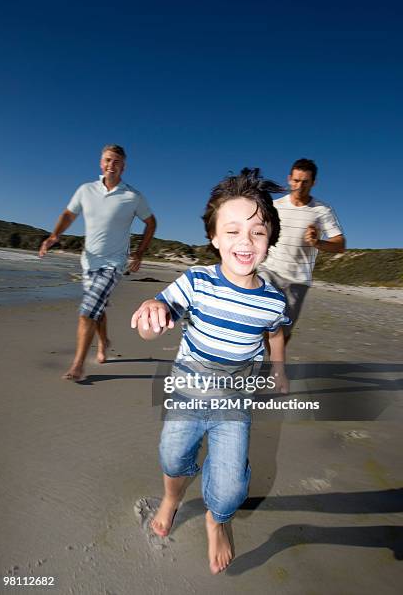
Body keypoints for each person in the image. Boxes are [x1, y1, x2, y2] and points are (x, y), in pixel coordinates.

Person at [131, 168, 290, 574]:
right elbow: (161, 314)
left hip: (234, 405)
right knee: (172, 456)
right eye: (233, 230)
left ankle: (216, 520)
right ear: (215, 237)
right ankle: (171, 499)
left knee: (230, 487)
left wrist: (278, 369)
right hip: (186, 395)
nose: (245, 241)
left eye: (257, 232)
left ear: (270, 238)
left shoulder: (273, 301)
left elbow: (274, 334)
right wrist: (152, 312)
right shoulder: (197, 282)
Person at [39, 144, 156, 381]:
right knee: (98, 309)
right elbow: (68, 214)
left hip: (113, 263)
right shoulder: (86, 190)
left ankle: (78, 365)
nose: (110, 165)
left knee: (87, 311)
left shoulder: (132, 196)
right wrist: (54, 235)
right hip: (88, 263)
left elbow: (151, 222)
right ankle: (104, 342)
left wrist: (140, 252)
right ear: (100, 163)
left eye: (116, 161)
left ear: (123, 167)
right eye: (107, 160)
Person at [258, 158, 345, 345]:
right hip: (269, 270)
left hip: (298, 279)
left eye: (305, 182)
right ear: (289, 179)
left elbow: (340, 244)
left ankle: (275, 365)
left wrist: (317, 242)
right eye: (296, 180)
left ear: (313, 183)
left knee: (282, 331)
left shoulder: (322, 210)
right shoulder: (275, 206)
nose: (299, 186)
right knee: (258, 315)